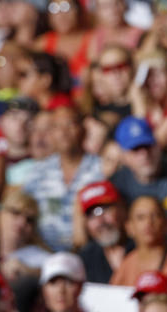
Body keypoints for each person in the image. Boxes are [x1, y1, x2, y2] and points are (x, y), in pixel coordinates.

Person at [22, 99, 103, 252]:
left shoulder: (101, 168)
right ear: (51, 134)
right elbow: (24, 211)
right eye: (57, 127)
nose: (64, 132)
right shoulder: (38, 172)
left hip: (90, 251)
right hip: (43, 252)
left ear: (83, 130)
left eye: (70, 124)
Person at [110, 195, 167, 295]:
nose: (148, 222)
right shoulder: (127, 263)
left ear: (166, 224)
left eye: (155, 215)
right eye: (140, 218)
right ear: (129, 227)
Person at [76, 180, 133, 283]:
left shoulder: (142, 248)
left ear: (122, 209)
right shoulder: (84, 260)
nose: (100, 221)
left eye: (105, 209)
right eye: (92, 215)